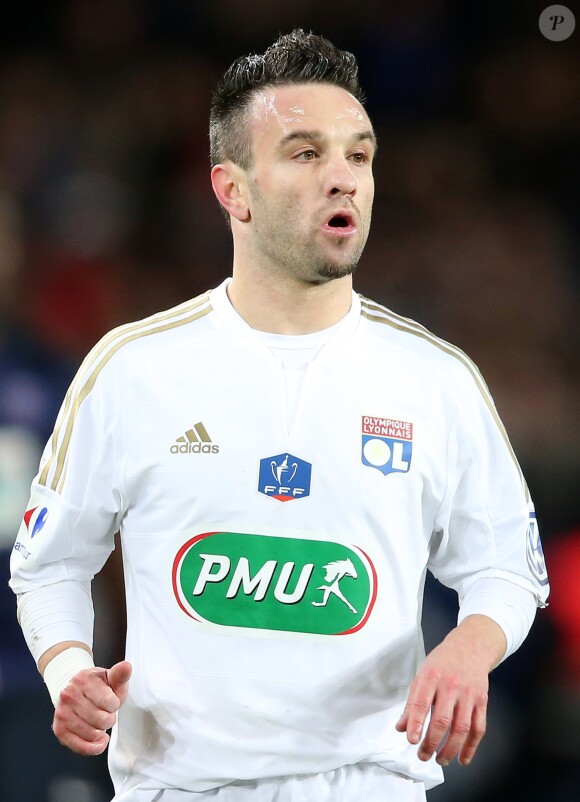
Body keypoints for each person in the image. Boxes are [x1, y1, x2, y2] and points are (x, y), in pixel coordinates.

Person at [10, 29, 550, 802]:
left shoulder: (437, 379)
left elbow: (504, 567)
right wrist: (70, 670)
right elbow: (50, 562)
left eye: (358, 156)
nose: (343, 178)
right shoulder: (133, 370)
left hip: (372, 785)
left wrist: (470, 645)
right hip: (183, 787)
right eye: (305, 154)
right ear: (233, 190)